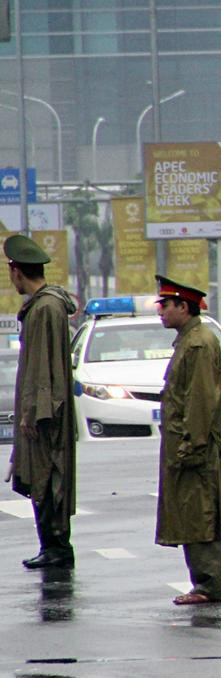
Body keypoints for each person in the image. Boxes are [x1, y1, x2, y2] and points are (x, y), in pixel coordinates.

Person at [154, 275, 221, 605]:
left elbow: (201, 400)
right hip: (185, 443)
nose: (161, 312)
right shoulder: (189, 339)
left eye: (166, 305)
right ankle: (203, 583)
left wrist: (191, 445)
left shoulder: (198, 343)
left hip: (193, 446)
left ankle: (208, 585)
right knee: (191, 512)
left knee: (201, 514)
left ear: (183, 307)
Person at [5, 234, 76, 569]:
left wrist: (35, 413)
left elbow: (44, 368)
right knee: (39, 475)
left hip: (45, 414)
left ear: (17, 272)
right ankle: (50, 545)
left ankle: (57, 546)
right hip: (40, 411)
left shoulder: (45, 308)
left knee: (48, 475)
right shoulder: (41, 306)